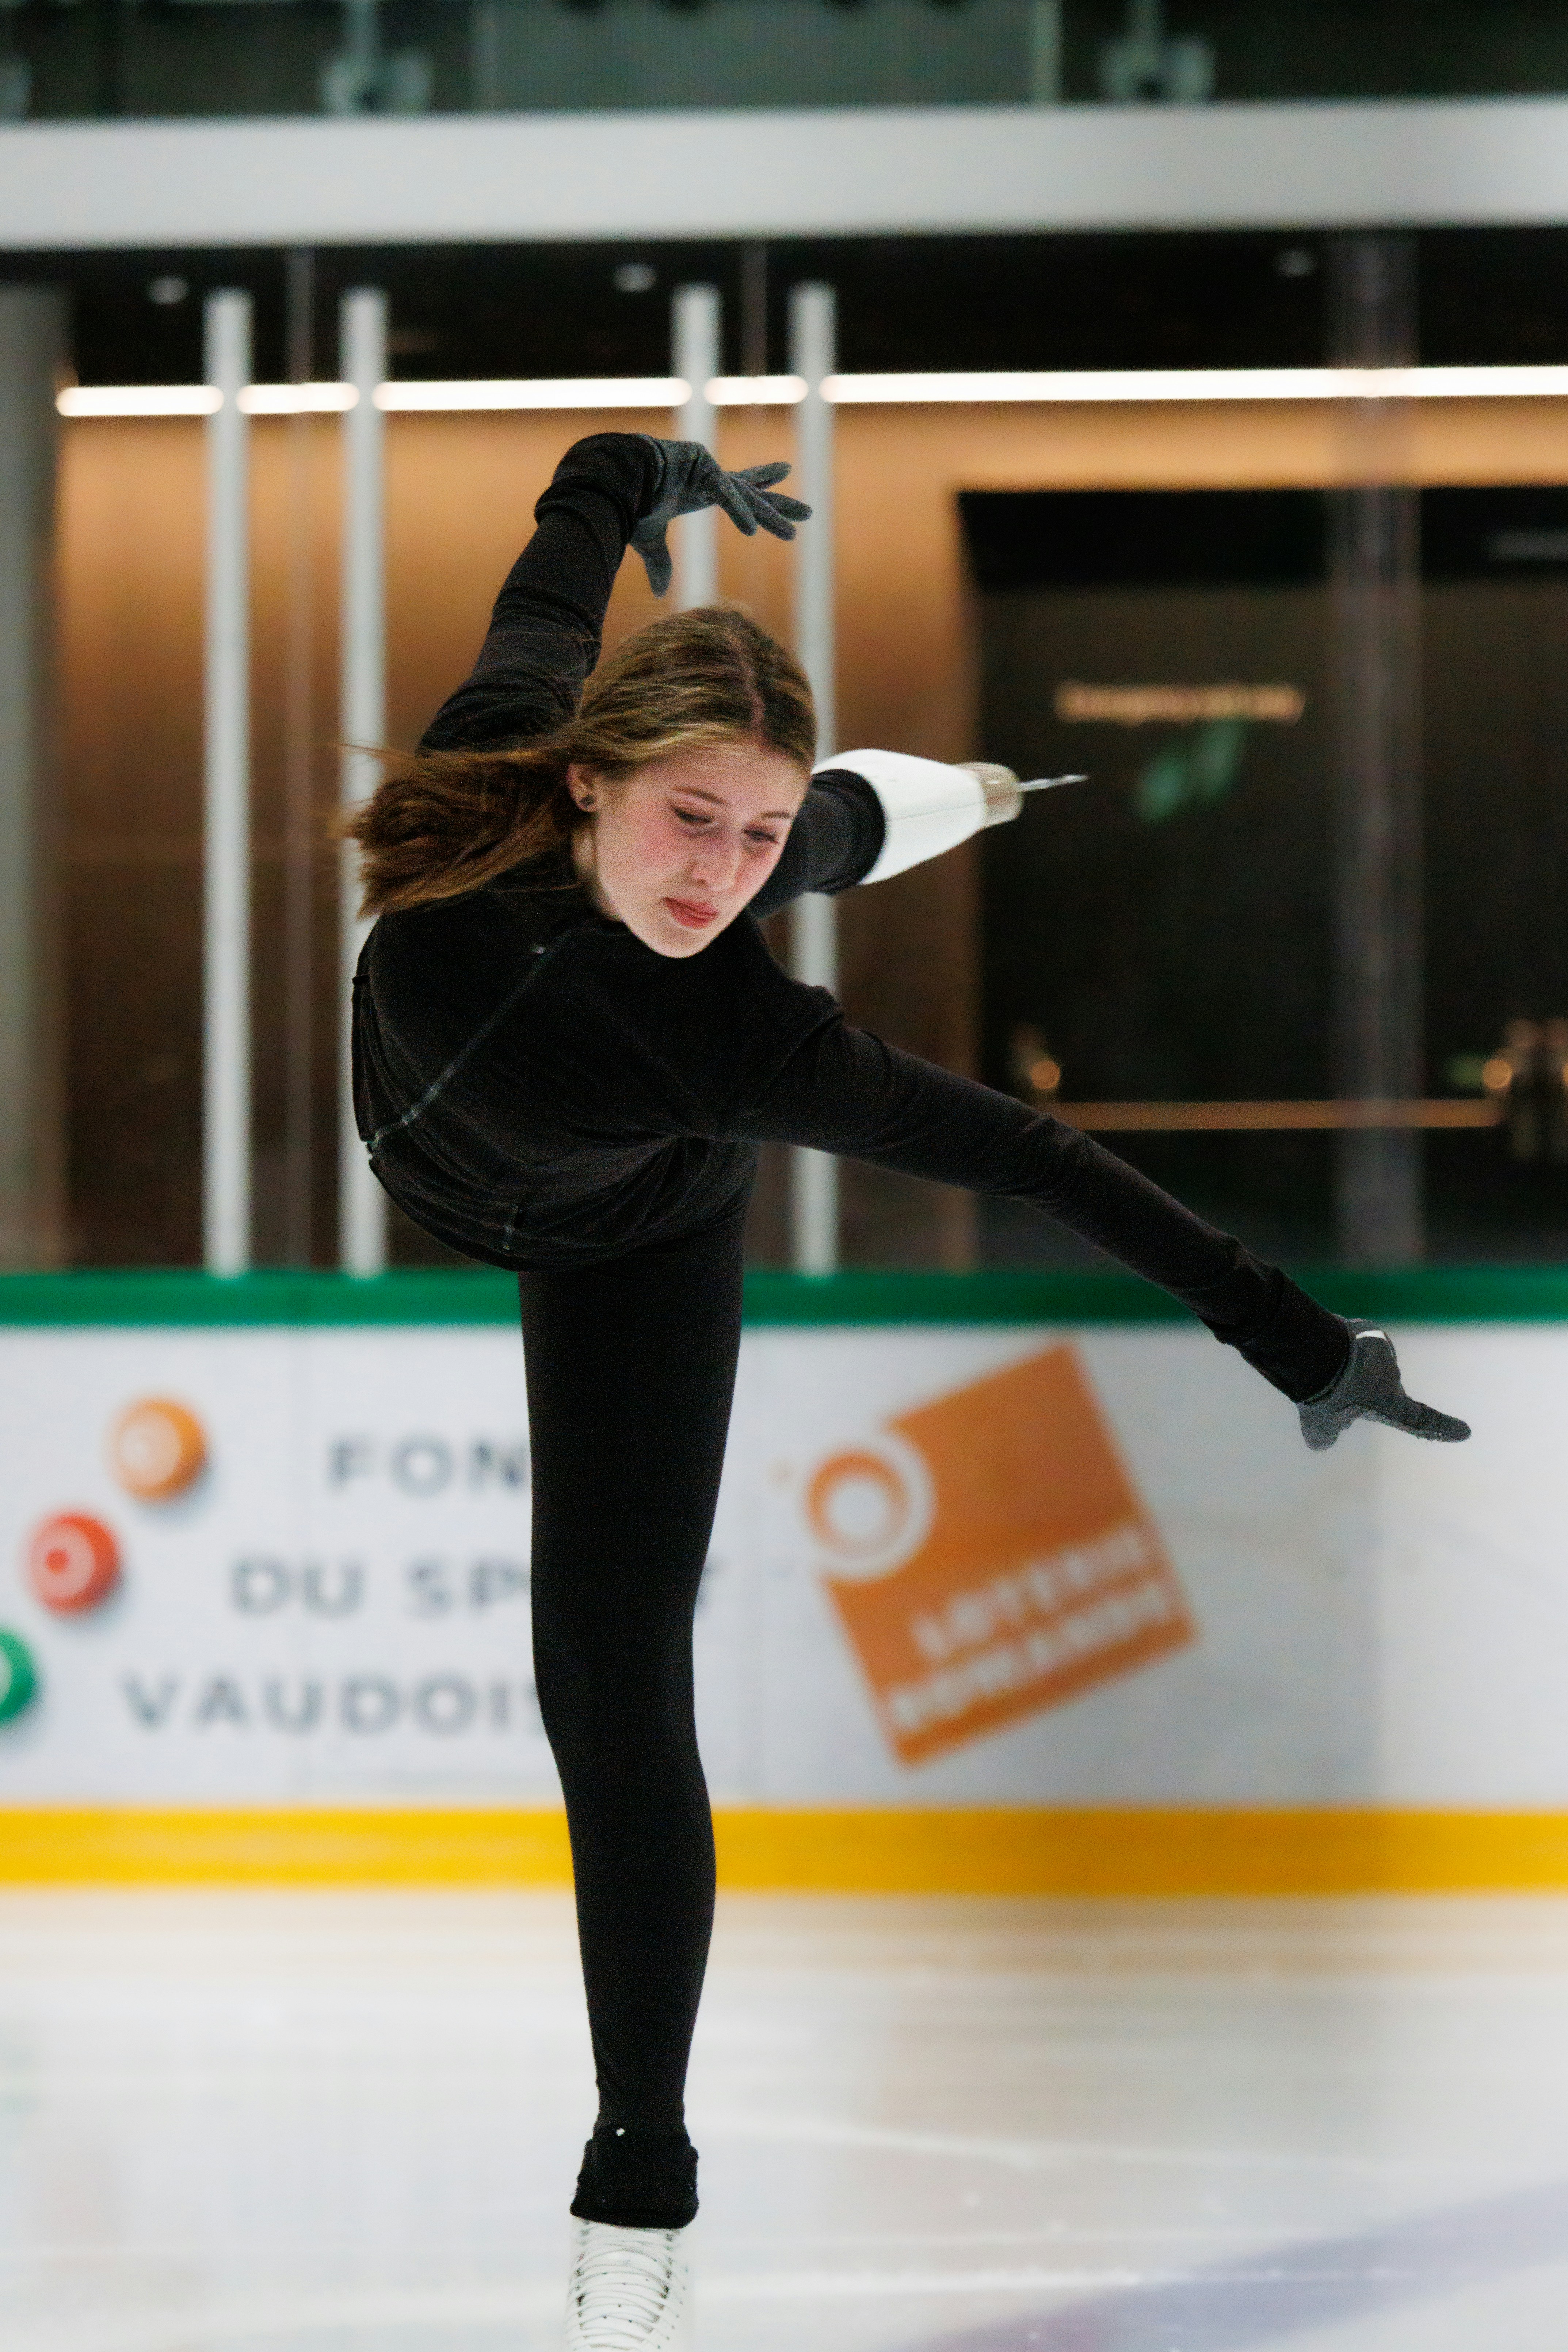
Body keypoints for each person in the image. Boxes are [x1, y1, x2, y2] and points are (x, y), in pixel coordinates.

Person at [344, 432, 1469, 2351]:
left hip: (634, 1228)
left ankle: (640, 2179)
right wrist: (659, 467)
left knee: (609, 1681)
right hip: (480, 1148)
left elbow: (1035, 1153)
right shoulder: (502, 740)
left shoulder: (742, 1034)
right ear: (590, 775)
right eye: (693, 818)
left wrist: (1292, 1335)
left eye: (756, 836)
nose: (720, 871)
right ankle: (917, 801)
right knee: (848, 832)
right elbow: (575, 510)